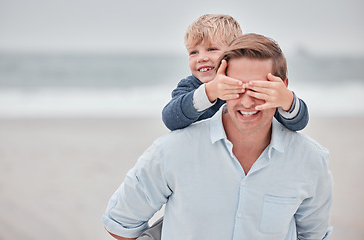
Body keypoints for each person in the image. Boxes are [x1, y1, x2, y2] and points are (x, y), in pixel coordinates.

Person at [101, 33, 333, 240]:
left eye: (259, 89)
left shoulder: (310, 160)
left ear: (283, 88)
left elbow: (313, 236)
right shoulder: (171, 151)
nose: (247, 101)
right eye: (236, 87)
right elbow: (120, 225)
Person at [162, 14, 309, 132]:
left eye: (211, 49)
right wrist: (210, 91)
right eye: (193, 52)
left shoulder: (251, 86)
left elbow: (298, 124)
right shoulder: (190, 85)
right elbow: (170, 119)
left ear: (233, 52)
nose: (201, 58)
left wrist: (287, 101)